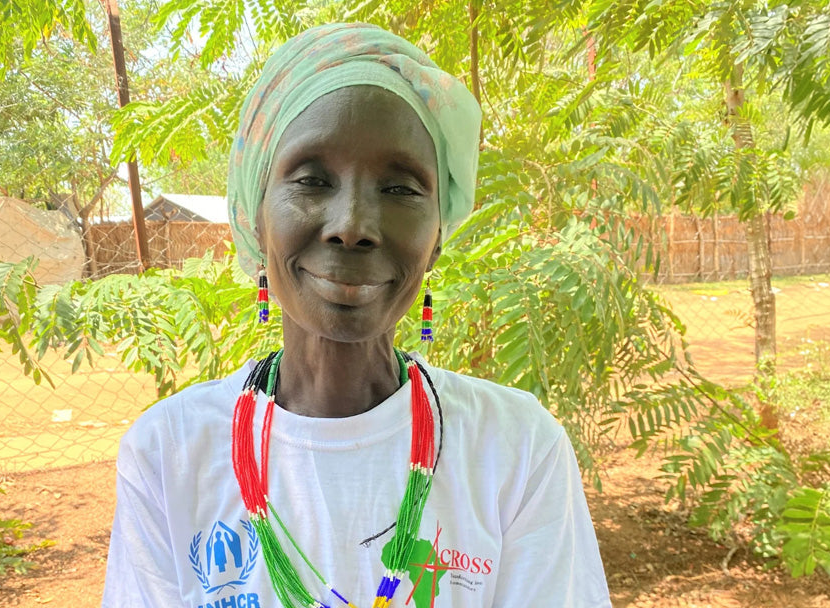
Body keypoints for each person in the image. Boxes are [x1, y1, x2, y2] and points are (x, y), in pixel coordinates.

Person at [102, 22, 611, 608]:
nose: (353, 225)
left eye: (400, 188)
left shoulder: (515, 449)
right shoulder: (170, 453)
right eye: (312, 180)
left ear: (438, 235)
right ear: (255, 216)